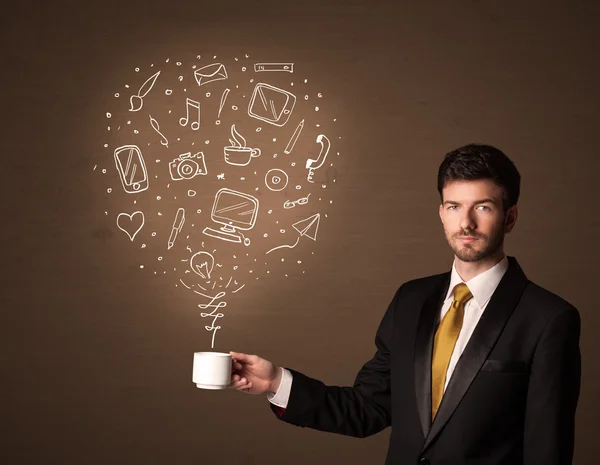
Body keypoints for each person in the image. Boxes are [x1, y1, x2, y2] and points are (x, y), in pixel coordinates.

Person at [227, 144, 581, 465]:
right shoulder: (410, 301)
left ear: (510, 217)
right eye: (454, 206)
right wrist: (275, 382)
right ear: (442, 212)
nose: (466, 223)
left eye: (483, 207)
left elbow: (547, 450)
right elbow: (367, 409)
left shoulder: (548, 318)